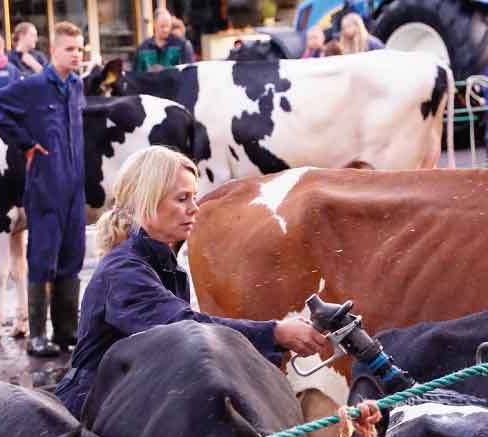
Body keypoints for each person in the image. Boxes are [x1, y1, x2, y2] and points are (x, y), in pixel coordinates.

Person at [55, 146, 328, 418]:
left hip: (129, 398)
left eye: (194, 197)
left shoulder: (165, 266)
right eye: (182, 198)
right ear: (145, 202)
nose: (194, 209)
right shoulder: (123, 272)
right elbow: (186, 329)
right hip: (92, 409)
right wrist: (276, 333)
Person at [0, 21, 87, 357]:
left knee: (73, 256)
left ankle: (67, 330)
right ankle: (38, 334)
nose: (77, 55)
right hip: (45, 187)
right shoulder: (34, 86)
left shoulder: (76, 87)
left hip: (74, 187)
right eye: (70, 49)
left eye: (80, 49)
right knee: (43, 257)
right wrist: (25, 144)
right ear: (54, 51)